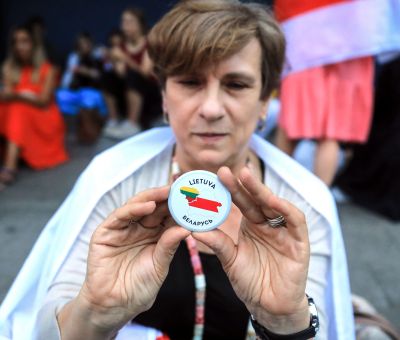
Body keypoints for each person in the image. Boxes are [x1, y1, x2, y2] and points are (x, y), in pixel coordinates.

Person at [0, 1, 354, 339]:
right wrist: (94, 311)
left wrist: (286, 323)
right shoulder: (113, 181)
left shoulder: (301, 206)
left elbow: (321, 326)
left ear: (265, 101)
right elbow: (48, 320)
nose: (212, 108)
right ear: (165, 97)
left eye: (236, 84)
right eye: (189, 82)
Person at [273, 0, 398, 187]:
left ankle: (274, 187)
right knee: (331, 135)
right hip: (353, 44)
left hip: (306, 37)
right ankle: (318, 200)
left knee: (291, 125)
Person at [0, 25, 68, 189]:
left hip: (44, 118)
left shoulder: (48, 69)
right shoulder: (9, 68)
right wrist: (18, 95)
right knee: (11, 108)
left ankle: (9, 167)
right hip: (19, 118)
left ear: (34, 45)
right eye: (16, 42)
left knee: (18, 109)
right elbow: (6, 95)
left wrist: (17, 95)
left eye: (24, 41)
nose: (20, 46)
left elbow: (44, 101)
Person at [102, 8, 162, 139]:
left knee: (134, 75)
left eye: (129, 22)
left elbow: (145, 72)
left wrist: (124, 58)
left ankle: (132, 123)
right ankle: (113, 120)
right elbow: (121, 74)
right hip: (128, 90)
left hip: (149, 92)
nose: (125, 26)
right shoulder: (121, 46)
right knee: (107, 76)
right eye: (123, 22)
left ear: (140, 24)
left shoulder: (149, 43)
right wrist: (114, 60)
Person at [57, 32, 107, 143]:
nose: (84, 46)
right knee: (60, 96)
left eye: (86, 43)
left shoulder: (97, 56)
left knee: (88, 100)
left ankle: (91, 132)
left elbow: (99, 76)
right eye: (81, 44)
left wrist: (87, 72)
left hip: (92, 91)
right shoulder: (74, 57)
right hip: (75, 91)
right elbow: (67, 80)